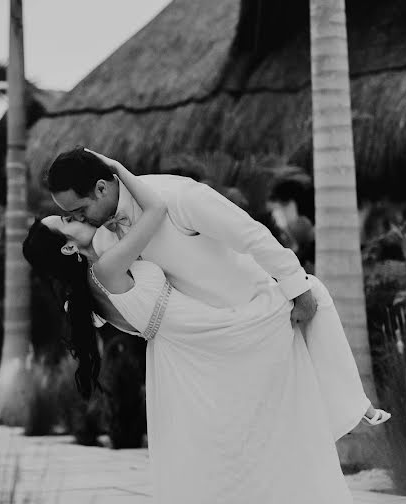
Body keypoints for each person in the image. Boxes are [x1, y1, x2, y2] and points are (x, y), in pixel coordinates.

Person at [22, 152, 380, 503]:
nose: (76, 218)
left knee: (266, 433)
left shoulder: (176, 196)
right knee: (217, 453)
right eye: (68, 218)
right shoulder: (102, 248)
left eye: (76, 212)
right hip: (194, 348)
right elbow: (132, 310)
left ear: (101, 189)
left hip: (231, 323)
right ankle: (347, 407)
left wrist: (293, 283)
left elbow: (249, 234)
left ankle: (344, 408)